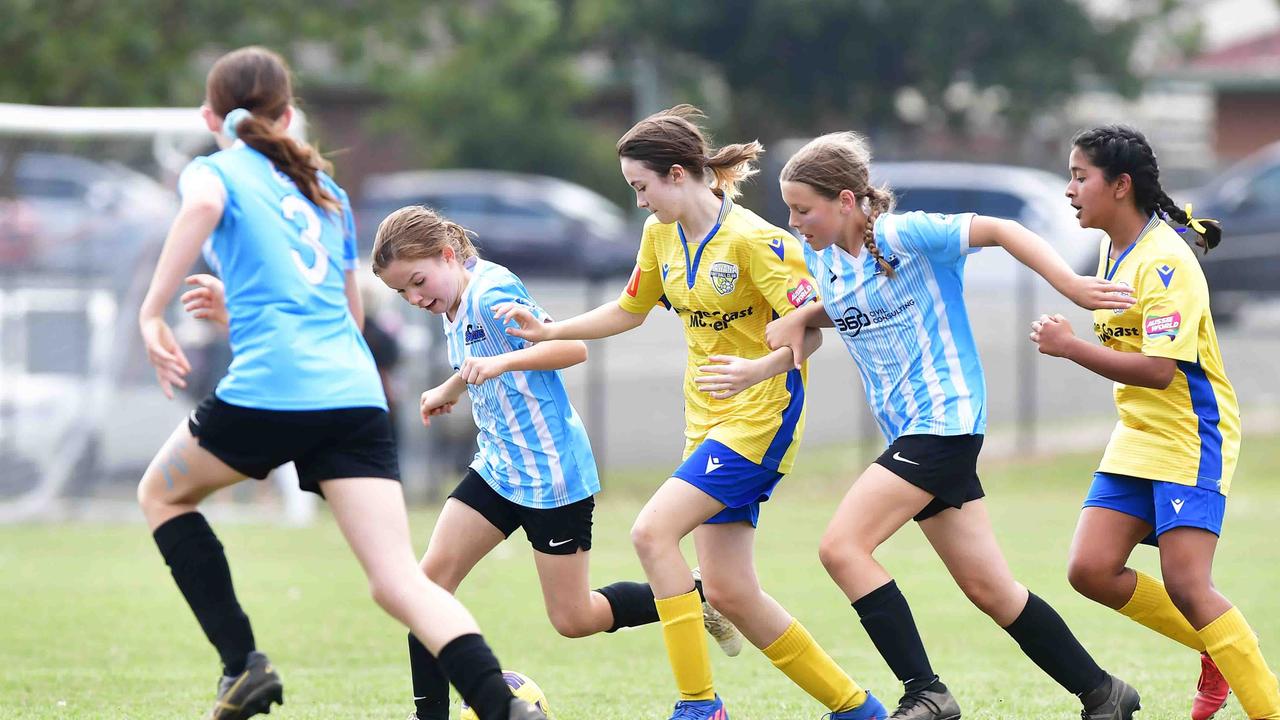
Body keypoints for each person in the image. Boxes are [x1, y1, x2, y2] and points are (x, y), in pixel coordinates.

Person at [135, 46, 545, 720]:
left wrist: (154, 312)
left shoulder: (216, 170)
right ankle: (502, 708)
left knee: (162, 494)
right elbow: (343, 319)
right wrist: (244, 312)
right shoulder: (325, 191)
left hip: (274, 390)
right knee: (398, 582)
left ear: (211, 116)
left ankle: (242, 666)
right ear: (289, 113)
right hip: (354, 395)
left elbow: (201, 204)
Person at [496, 105, 888, 720]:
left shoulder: (759, 241)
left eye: (641, 187)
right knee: (730, 591)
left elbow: (812, 332)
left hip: (762, 418)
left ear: (678, 174)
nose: (640, 202)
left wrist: (756, 369)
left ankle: (700, 707)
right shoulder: (661, 238)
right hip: (705, 423)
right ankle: (857, 709)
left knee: (651, 533)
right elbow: (628, 310)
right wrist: (549, 331)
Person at [761, 131, 1141, 720]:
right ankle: (1103, 692)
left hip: (944, 421)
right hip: (913, 433)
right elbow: (848, 304)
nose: (794, 221)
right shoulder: (823, 257)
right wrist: (802, 319)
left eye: (802, 209)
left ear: (844, 200)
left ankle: (927, 693)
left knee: (842, 548)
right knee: (991, 590)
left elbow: (1000, 229)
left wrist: (1069, 284)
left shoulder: (905, 235)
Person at [367, 204, 743, 720]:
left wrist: (502, 361)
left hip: (551, 476)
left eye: (417, 281)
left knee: (574, 617)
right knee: (424, 588)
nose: (414, 298)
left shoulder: (492, 292)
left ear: (447, 255)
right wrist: (449, 387)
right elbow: (480, 357)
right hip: (499, 468)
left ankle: (694, 595)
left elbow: (572, 351)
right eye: (401, 293)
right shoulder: (450, 303)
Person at [1030, 124, 1280, 720]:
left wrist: (1070, 347)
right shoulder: (1113, 248)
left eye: (1079, 176)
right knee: (1090, 570)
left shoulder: (1165, 261)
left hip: (1191, 435)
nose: (1068, 189)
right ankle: (1215, 646)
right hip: (1138, 436)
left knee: (1189, 586)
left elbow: (1159, 371)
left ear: (1120, 186)